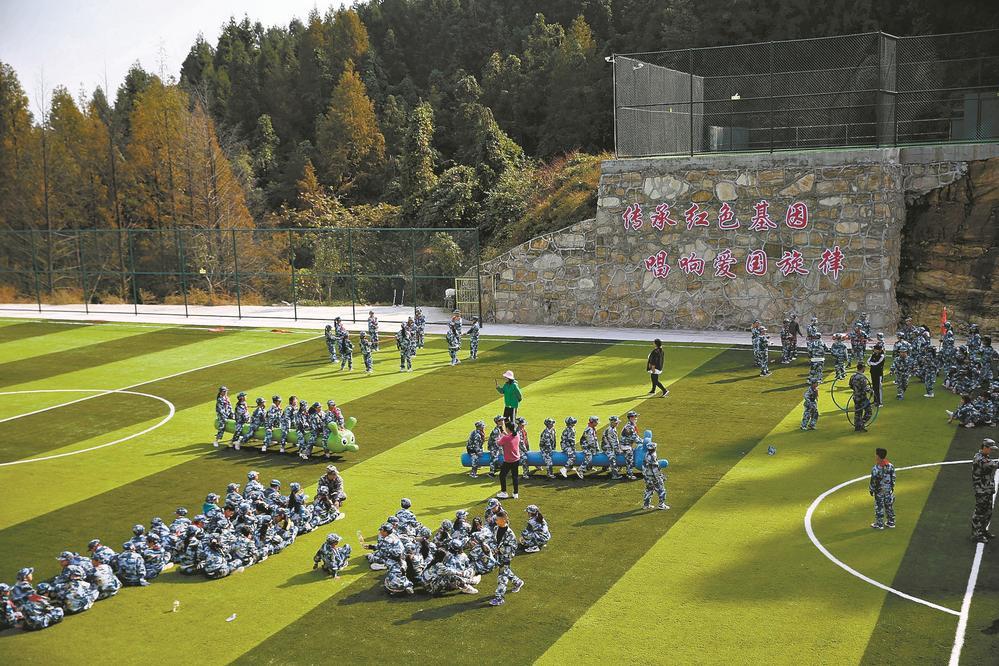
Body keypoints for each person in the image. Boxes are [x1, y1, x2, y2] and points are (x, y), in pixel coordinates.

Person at [488, 511, 524, 606]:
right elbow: (492, 540)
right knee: (506, 571)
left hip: (506, 558)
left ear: (503, 520)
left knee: (502, 577)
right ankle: (518, 582)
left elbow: (513, 548)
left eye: (497, 519)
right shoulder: (496, 528)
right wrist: (493, 548)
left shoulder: (510, 534)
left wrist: (499, 550)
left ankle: (499, 598)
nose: (495, 520)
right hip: (498, 556)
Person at [971, 438, 999, 543]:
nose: (991, 450)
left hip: (987, 489)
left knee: (988, 512)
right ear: (985, 447)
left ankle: (982, 531)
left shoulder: (984, 456)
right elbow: (994, 465)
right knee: (980, 513)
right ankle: (976, 534)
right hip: (982, 491)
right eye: (990, 448)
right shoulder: (980, 459)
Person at [870, 448, 896, 529]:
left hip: (879, 491)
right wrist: (891, 487)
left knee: (879, 507)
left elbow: (873, 481)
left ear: (878, 456)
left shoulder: (876, 469)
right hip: (888, 490)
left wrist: (871, 489)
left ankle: (879, 524)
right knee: (889, 506)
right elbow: (893, 477)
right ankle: (891, 522)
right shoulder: (890, 466)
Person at [496, 420, 521, 499]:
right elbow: (510, 437)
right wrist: (504, 434)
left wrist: (500, 436)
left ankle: (504, 492)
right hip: (516, 459)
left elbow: (498, 443)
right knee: (515, 476)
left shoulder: (505, 438)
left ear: (507, 428)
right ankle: (515, 493)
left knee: (502, 475)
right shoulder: (517, 435)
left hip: (508, 460)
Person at [642, 440, 669, 510]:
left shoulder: (646, 454)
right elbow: (655, 469)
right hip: (653, 477)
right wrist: (660, 477)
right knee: (661, 490)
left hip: (647, 476)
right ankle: (661, 504)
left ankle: (646, 505)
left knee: (649, 490)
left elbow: (644, 466)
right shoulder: (653, 456)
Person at [850, 362, 873, 432]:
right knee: (869, 412)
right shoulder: (862, 377)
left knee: (858, 413)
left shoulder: (853, 376)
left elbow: (850, 386)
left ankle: (857, 427)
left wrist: (856, 390)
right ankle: (861, 424)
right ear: (863, 368)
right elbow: (865, 388)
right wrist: (872, 391)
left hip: (856, 397)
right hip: (862, 397)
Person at [619, 411, 640, 480]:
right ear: (631, 418)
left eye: (636, 416)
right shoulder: (629, 427)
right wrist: (644, 442)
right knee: (630, 459)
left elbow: (636, 436)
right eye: (635, 416)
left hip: (627, 444)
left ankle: (619, 467)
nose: (636, 418)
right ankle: (629, 474)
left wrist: (643, 441)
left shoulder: (632, 425)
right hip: (625, 446)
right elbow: (635, 439)